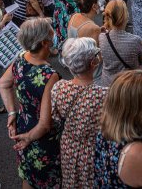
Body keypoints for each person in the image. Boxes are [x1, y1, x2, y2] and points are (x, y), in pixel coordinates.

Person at [0, 18, 61, 188]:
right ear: (44, 43)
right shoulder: (49, 75)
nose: (54, 36)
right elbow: (45, 124)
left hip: (23, 125)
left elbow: (4, 84)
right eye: (51, 34)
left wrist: (12, 113)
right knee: (46, 180)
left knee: (27, 174)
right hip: (40, 137)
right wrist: (29, 137)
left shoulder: (21, 58)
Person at [51, 37, 108, 187]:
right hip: (93, 150)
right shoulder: (104, 95)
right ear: (93, 63)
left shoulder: (59, 88)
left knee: (71, 182)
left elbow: (55, 118)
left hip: (68, 147)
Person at [97, 0, 142, 87]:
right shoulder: (135, 40)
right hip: (127, 86)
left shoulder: (102, 37)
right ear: (125, 16)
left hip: (107, 85)